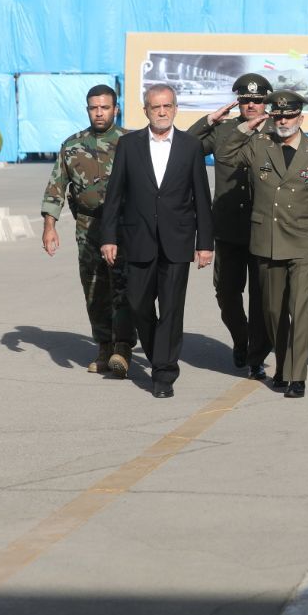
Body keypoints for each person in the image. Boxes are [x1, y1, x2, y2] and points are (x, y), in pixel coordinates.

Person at [216, 90, 308, 398]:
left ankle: (297, 376)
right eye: (278, 115)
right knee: (272, 311)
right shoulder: (259, 145)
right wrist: (248, 125)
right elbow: (224, 154)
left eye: (289, 115)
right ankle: (282, 368)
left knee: (298, 308)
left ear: (301, 117)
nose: (283, 121)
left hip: (303, 240)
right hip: (267, 241)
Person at [98, 83, 214, 398]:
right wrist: (109, 237)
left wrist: (205, 243)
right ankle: (156, 354)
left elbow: (202, 198)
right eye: (155, 107)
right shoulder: (129, 145)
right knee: (138, 304)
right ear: (146, 110)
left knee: (172, 309)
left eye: (167, 106)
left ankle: (164, 373)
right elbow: (115, 196)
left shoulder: (191, 146)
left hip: (178, 241)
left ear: (175, 109)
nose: (161, 112)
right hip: (137, 239)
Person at [40, 84, 136, 377]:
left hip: (124, 227)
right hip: (87, 227)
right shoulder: (72, 145)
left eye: (105, 107)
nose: (99, 113)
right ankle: (104, 346)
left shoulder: (131, 142)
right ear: (87, 110)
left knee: (123, 286)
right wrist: (49, 226)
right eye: (94, 107)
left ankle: (123, 347)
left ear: (115, 109)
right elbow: (56, 187)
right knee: (94, 287)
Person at [188, 73, 274, 379]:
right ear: (238, 101)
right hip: (227, 227)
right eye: (245, 100)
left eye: (257, 100)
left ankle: (256, 355)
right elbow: (187, 146)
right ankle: (242, 339)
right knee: (226, 293)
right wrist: (208, 120)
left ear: (267, 101)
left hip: (266, 229)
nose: (251, 105)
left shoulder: (279, 131)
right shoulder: (224, 130)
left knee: (262, 296)